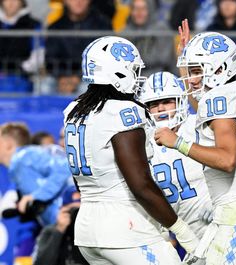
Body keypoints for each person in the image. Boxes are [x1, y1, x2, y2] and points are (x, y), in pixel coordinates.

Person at [63, 36, 199, 264]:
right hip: (125, 227)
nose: (136, 77)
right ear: (118, 71)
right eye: (133, 69)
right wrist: (182, 231)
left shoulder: (74, 110)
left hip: (87, 229)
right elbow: (140, 184)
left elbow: (80, 177)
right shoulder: (123, 111)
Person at [155, 30, 236, 264]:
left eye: (197, 71)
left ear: (219, 69)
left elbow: (226, 160)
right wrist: (184, 62)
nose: (191, 80)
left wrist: (178, 143)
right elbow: (203, 108)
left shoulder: (220, 98)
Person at [140, 71, 213, 240]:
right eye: (154, 104)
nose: (160, 109)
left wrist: (220, 202)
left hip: (207, 219)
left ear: (181, 100)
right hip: (171, 226)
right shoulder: (142, 140)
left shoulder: (198, 126)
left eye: (167, 102)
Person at [0, 122, 70, 226]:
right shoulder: (18, 165)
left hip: (72, 220)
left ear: (8, 144)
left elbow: (66, 167)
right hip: (61, 227)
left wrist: (36, 196)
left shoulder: (26, 155)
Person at [32, 185, 89, 265]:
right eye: (73, 211)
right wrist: (59, 230)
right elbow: (42, 263)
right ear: (62, 209)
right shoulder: (50, 231)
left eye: (79, 211)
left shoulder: (92, 231)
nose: (76, 216)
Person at [122, 0, 176, 77]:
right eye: (136, 8)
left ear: (150, 10)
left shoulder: (162, 29)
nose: (139, 12)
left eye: (143, 9)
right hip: (132, 78)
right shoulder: (125, 33)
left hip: (160, 76)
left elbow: (163, 59)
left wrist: (136, 60)